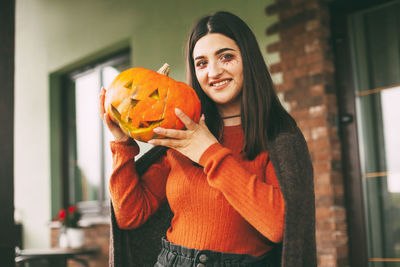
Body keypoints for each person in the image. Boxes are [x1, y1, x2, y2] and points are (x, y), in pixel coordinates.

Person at [100, 11, 316, 267]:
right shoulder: (181, 134)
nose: (213, 72)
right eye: (201, 63)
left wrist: (209, 152)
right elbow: (131, 215)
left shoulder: (280, 137)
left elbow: (279, 226)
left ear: (248, 60)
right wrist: (122, 145)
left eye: (226, 57)